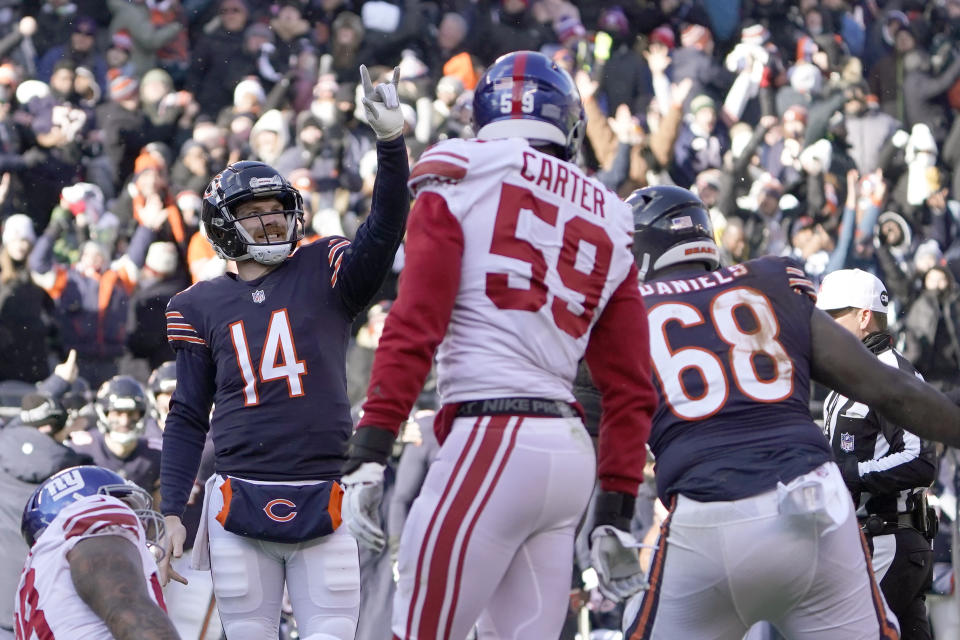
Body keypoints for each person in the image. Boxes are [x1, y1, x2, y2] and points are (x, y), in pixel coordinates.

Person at [339, 51, 658, 640]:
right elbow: (632, 386)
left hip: (492, 432)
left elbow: (416, 320)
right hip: (567, 458)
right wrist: (614, 508)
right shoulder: (612, 213)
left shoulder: (462, 169)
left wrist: (370, 448)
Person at [620, 185, 960, 640]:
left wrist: (609, 517)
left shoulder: (631, 312)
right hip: (813, 512)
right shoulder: (769, 280)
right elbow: (894, 392)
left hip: (707, 517)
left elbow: (604, 426)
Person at [158, 65, 409, 640]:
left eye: (276, 206)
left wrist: (392, 144)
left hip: (323, 489)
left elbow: (387, 225)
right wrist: (173, 508)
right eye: (253, 211)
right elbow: (189, 413)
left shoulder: (324, 265)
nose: (270, 218)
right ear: (224, 224)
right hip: (239, 495)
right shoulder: (199, 304)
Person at [818, 269, 938, 640]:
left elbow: (922, 460)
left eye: (834, 315)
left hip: (890, 540)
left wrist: (852, 473)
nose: (825, 326)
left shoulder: (893, 377)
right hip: (864, 544)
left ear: (864, 315)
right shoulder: (845, 381)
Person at [16, 465, 176, 640]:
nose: (141, 524)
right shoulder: (94, 515)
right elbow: (131, 610)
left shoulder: (38, 578)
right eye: (128, 507)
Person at [66, 375, 162, 494]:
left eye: (131, 413)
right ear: (104, 413)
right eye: (117, 413)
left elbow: (160, 510)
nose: (124, 421)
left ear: (142, 414)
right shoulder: (81, 450)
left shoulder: (157, 453)